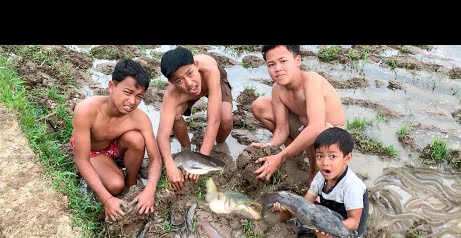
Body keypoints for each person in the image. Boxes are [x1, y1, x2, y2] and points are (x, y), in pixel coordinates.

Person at [71, 58, 162, 222]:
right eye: (127, 92)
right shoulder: (86, 110)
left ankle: (131, 184)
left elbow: (155, 158)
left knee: (136, 139)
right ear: (112, 87)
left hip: (114, 146)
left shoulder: (140, 119)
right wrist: (107, 200)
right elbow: (81, 159)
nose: (132, 102)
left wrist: (150, 189)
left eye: (139, 96)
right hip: (91, 151)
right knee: (114, 186)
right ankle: (114, 181)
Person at [273, 127, 369, 238]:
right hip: (327, 218)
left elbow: (354, 222)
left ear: (347, 158)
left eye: (332, 156)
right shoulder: (320, 177)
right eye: (319, 156)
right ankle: (289, 217)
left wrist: (326, 225)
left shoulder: (352, 185)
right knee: (299, 207)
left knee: (318, 216)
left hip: (347, 235)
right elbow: (305, 205)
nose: (325, 163)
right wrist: (288, 208)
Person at [251, 45, 346, 185]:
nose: (277, 69)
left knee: (314, 130)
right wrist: (270, 146)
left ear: (297, 60)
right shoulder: (277, 89)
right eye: (271, 64)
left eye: (283, 61)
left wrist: (280, 157)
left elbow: (317, 126)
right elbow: (282, 129)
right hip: (303, 124)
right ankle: (295, 150)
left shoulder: (311, 81)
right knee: (259, 105)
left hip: (331, 133)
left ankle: (314, 172)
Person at [157, 46, 233, 191]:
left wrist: (201, 160)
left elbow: (213, 119)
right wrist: (170, 165)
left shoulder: (210, 71)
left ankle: (220, 145)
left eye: (190, 73)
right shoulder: (172, 94)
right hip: (186, 94)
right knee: (175, 116)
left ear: (196, 65)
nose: (189, 82)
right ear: (171, 82)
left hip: (214, 82)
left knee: (225, 118)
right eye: (179, 80)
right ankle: (187, 149)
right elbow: (162, 135)